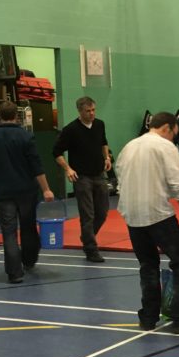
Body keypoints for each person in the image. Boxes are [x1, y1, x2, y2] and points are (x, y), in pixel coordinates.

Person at [116, 111, 179, 333]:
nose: (173, 139)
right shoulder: (165, 147)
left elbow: (120, 178)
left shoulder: (129, 146)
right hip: (157, 214)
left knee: (148, 265)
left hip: (132, 215)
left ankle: (148, 318)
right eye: (174, 134)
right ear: (167, 127)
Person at [0, 101, 55, 283]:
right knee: (28, 227)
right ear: (16, 116)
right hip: (26, 191)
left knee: (9, 232)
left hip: (3, 193)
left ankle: (14, 272)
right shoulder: (26, 137)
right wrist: (46, 189)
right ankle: (29, 260)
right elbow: (36, 166)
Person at [53, 96, 111, 263]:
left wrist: (106, 157)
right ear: (80, 111)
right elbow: (56, 152)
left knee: (102, 212)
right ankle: (91, 249)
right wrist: (68, 169)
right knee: (88, 214)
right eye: (88, 111)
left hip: (99, 175)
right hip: (82, 177)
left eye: (93, 110)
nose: (92, 113)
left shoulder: (100, 124)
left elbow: (103, 142)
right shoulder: (70, 130)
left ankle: (87, 237)